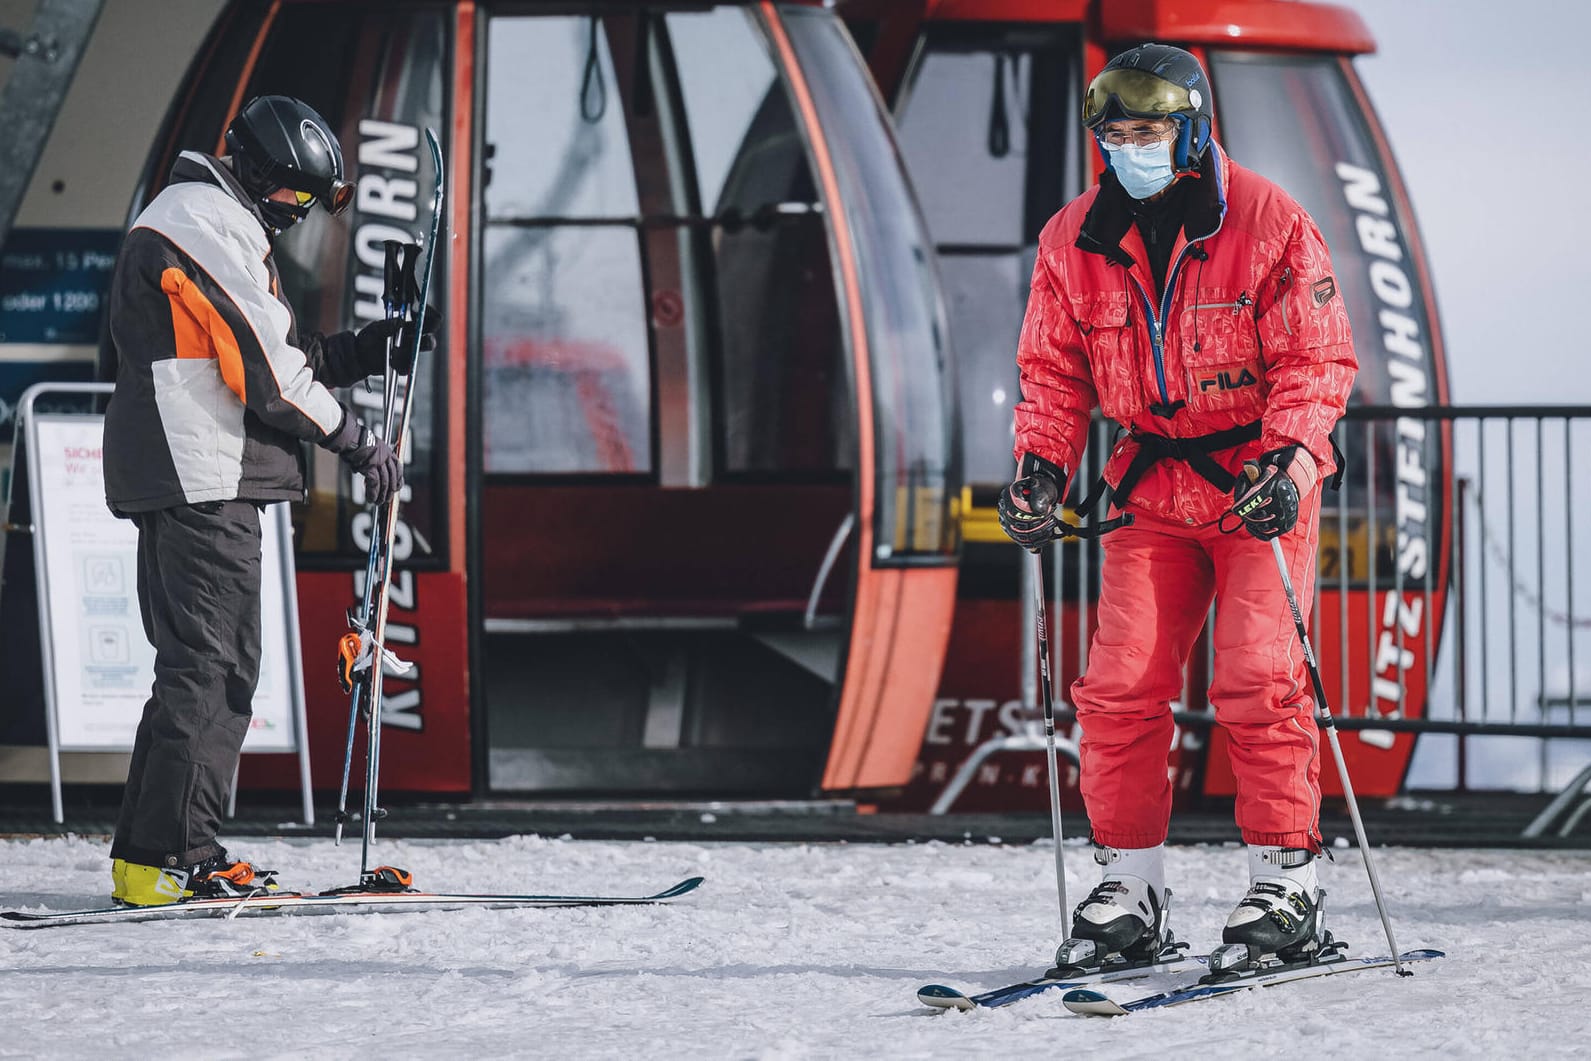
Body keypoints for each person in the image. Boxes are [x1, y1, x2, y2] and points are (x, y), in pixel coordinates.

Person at [998, 45, 1356, 963]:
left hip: (1253, 488)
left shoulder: (1269, 221)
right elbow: (1051, 370)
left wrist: (1287, 465)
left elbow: (1314, 361)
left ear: (1191, 130)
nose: (1130, 149)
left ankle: (1286, 883)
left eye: (1149, 131)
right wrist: (1041, 467)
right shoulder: (1071, 238)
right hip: (1151, 491)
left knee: (1256, 680)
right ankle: (1134, 884)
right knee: (1118, 687)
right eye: (1114, 135)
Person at [102, 95, 435, 906]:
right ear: (259, 173)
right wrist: (359, 442)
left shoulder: (214, 223)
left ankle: (150, 860)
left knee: (198, 666)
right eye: (294, 196)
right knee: (212, 671)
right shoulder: (203, 222)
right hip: (201, 474)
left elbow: (279, 354)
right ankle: (179, 858)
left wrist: (365, 349)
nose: (296, 215)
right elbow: (269, 374)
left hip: (198, 470)